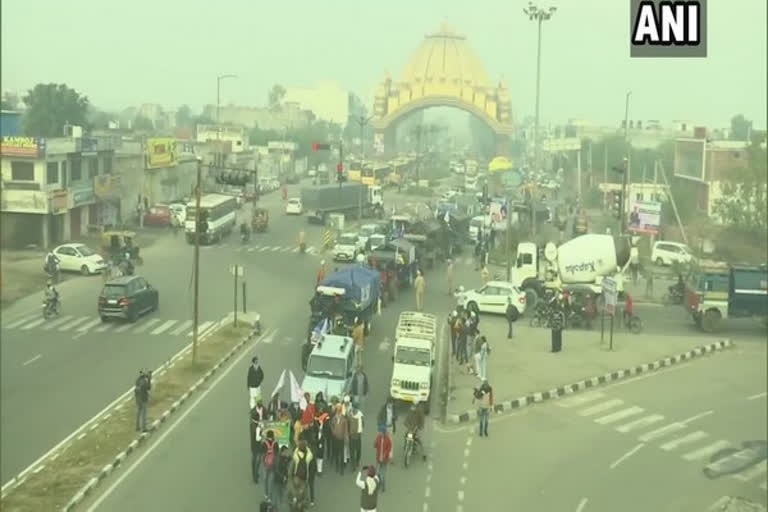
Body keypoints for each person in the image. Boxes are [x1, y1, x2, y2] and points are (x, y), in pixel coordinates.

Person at [330, 403, 349, 474]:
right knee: (337, 453)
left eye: (339, 409)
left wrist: (346, 437)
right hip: (335, 438)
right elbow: (331, 425)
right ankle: (337, 466)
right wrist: (333, 431)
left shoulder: (344, 419)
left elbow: (346, 429)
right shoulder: (334, 418)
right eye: (337, 409)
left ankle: (341, 469)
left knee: (341, 454)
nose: (338, 410)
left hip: (341, 439)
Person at [373, 426, 392, 493]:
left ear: (384, 433)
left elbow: (389, 448)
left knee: (383, 473)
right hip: (378, 459)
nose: (379, 433)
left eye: (381, 432)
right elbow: (375, 446)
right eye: (379, 432)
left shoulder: (388, 439)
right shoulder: (378, 437)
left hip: (384, 460)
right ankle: (378, 484)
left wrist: (384, 455)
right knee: (377, 472)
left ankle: (383, 486)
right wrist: (375, 443)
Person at [348, 402, 364, 468]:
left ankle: (357, 461)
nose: (354, 409)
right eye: (354, 407)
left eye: (355, 408)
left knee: (358, 450)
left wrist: (360, 430)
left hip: (358, 434)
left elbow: (363, 423)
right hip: (351, 435)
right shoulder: (350, 414)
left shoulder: (360, 415)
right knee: (352, 450)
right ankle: (353, 464)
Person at [251, 415, 265, 484]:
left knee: (254, 459)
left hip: (253, 445)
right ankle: (255, 476)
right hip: (257, 446)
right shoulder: (257, 428)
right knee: (258, 461)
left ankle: (254, 473)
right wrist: (262, 436)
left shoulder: (252, 425)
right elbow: (258, 438)